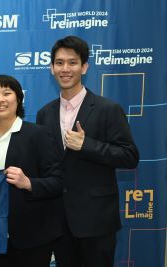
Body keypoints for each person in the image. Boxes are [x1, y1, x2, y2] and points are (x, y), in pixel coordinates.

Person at [36, 35, 140, 267]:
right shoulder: (45, 113)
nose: (65, 69)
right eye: (59, 63)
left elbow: (130, 156)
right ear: (52, 67)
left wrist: (87, 146)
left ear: (84, 67)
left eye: (72, 62)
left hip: (97, 221)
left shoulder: (107, 109)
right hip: (59, 223)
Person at [0, 75, 64, 267]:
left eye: (7, 93)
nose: (0, 100)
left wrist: (29, 183)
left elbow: (58, 181)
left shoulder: (38, 134)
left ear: (18, 98)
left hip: (33, 238)